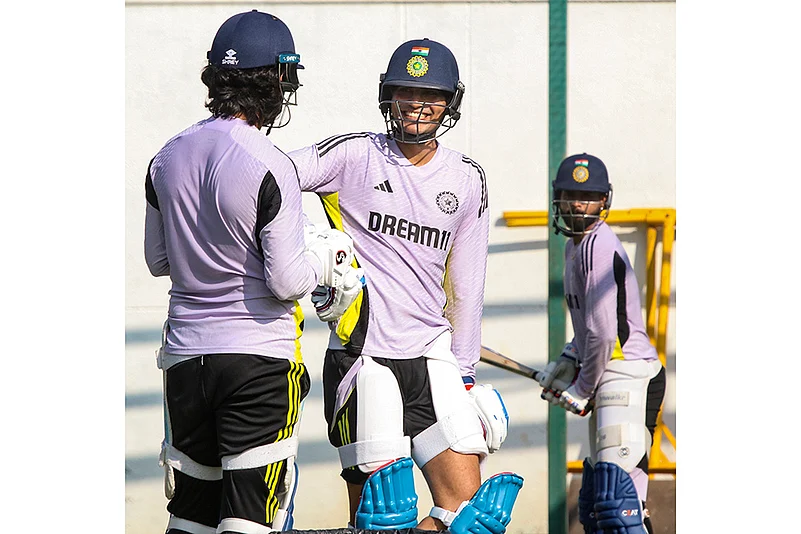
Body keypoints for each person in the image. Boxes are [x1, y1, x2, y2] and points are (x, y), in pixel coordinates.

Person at [288, 38, 523, 534]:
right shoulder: (353, 154)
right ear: (387, 96)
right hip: (362, 354)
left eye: (431, 95)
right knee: (380, 519)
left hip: (432, 356)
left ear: (450, 103)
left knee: (471, 520)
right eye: (406, 92)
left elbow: (467, 286)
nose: (418, 105)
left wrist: (464, 372)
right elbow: (269, 176)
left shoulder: (467, 178)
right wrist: (296, 244)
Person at [143, 10, 362, 534]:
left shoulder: (166, 157)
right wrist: (328, 260)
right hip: (258, 360)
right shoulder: (271, 162)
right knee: (250, 520)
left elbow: (158, 261)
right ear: (277, 79)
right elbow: (288, 282)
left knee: (191, 517)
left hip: (185, 359)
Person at [537, 153, 667, 534]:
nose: (579, 204)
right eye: (570, 195)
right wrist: (566, 360)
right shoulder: (574, 246)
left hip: (628, 372)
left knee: (617, 504)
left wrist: (580, 387)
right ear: (557, 199)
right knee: (599, 506)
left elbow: (604, 333)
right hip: (610, 371)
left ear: (604, 201)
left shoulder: (598, 245)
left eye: (589, 196)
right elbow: (586, 330)